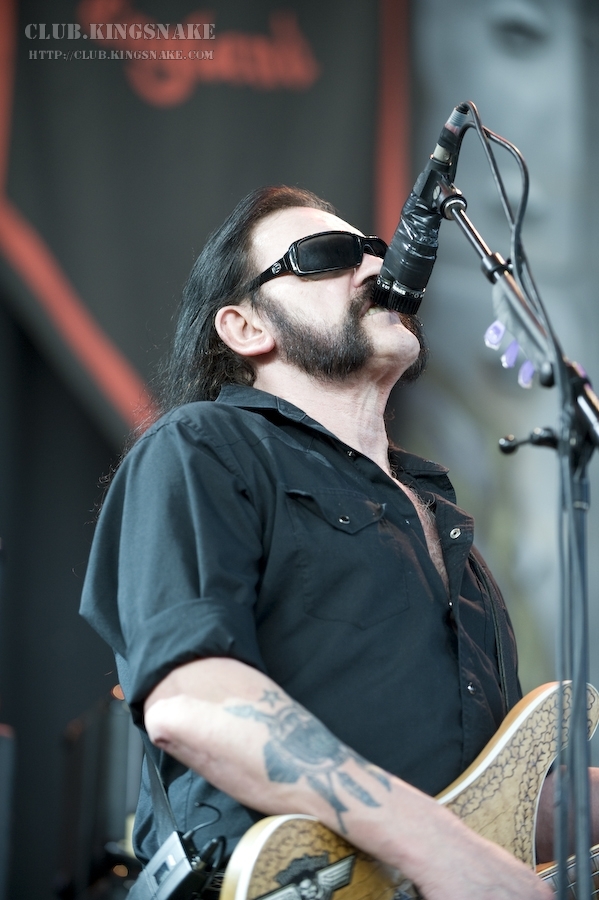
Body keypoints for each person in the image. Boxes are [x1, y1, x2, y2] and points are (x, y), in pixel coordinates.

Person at [82, 185, 572, 899]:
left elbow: (508, 803)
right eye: (328, 255)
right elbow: (196, 703)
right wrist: (440, 849)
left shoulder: (441, 520)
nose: (376, 265)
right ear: (246, 326)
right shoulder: (201, 448)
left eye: (373, 249)